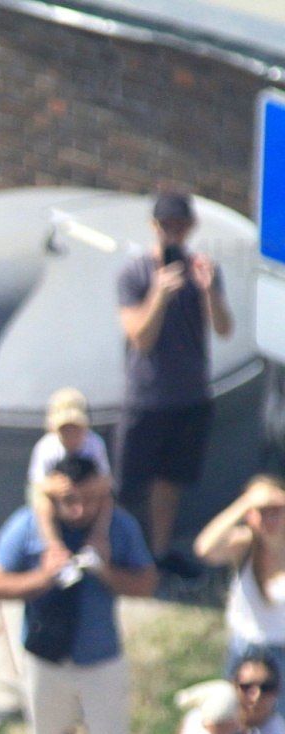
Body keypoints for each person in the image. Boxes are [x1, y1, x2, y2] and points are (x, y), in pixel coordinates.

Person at [0, 454, 157, 734]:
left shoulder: (119, 527)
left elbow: (146, 582)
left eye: (88, 500)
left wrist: (105, 571)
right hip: (45, 658)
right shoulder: (28, 525)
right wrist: (44, 577)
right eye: (68, 501)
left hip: (100, 659)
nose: (78, 510)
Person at [117, 191, 233, 574]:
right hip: (146, 398)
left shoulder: (203, 270)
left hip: (189, 396)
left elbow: (224, 328)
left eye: (180, 226)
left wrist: (209, 291)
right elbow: (140, 337)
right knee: (128, 484)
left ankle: (160, 553)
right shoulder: (135, 274)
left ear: (191, 227)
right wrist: (159, 294)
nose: (172, 233)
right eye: (166, 226)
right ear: (154, 226)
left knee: (171, 482)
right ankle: (119, 554)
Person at [193, 475, 285, 678]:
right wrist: (247, 502)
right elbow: (204, 548)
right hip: (246, 651)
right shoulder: (245, 545)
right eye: (262, 512)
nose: (270, 520)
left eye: (276, 511)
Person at [28, 387, 113, 557]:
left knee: (107, 499)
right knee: (40, 502)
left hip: (88, 495)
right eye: (65, 429)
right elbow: (36, 483)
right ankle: (54, 547)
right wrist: (55, 487)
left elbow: (106, 480)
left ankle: (97, 541)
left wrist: (86, 487)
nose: (71, 434)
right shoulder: (45, 447)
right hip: (58, 501)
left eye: (75, 428)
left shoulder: (95, 444)